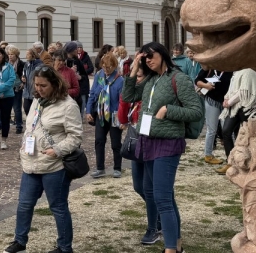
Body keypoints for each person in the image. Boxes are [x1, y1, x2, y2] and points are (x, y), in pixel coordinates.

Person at [121, 42, 203, 253]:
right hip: (147, 141)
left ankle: (169, 248)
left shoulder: (179, 78)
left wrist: (168, 109)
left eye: (151, 55)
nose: (148, 59)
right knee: (161, 194)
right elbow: (128, 97)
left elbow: (195, 112)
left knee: (162, 198)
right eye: (144, 57)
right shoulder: (151, 79)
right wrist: (134, 67)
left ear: (163, 54)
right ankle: (176, 244)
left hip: (167, 143)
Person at [2, 65, 83, 253]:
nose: (38, 89)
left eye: (43, 85)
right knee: (24, 204)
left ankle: (64, 247)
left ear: (54, 84)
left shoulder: (68, 105)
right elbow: (31, 126)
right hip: (31, 162)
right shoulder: (37, 102)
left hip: (54, 166)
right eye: (36, 84)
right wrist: (24, 145)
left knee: (58, 207)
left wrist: (57, 149)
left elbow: (76, 136)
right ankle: (20, 241)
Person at [118, 65, 161, 245]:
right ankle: (158, 214)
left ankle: (153, 227)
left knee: (150, 188)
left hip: (151, 143)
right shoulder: (135, 94)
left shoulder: (154, 92)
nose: (136, 79)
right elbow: (122, 116)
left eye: (139, 76)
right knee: (138, 186)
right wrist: (125, 97)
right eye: (134, 76)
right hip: (137, 141)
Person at [215, 68, 256, 174]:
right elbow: (232, 89)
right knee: (226, 132)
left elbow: (244, 91)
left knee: (248, 136)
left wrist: (229, 102)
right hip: (235, 108)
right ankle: (230, 162)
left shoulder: (249, 71)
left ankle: (250, 163)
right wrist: (227, 98)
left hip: (248, 108)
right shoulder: (237, 72)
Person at [86, 53, 124, 178]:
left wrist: (121, 116)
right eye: (104, 67)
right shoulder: (99, 76)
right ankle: (100, 168)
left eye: (109, 68)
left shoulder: (119, 80)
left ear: (114, 66)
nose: (106, 70)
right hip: (100, 114)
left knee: (115, 143)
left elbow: (122, 100)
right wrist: (88, 111)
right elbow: (92, 94)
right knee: (99, 141)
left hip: (114, 114)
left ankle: (117, 168)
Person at [195, 68, 233, 165]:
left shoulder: (231, 68)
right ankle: (208, 155)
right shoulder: (210, 67)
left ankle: (231, 157)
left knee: (227, 130)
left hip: (227, 103)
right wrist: (206, 85)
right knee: (211, 130)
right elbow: (197, 81)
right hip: (212, 101)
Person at [7, 45, 26, 133]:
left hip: (17, 88)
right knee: (5, 108)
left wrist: (23, 83)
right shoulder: (6, 64)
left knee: (17, 108)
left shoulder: (21, 64)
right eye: (9, 54)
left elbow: (24, 75)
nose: (10, 56)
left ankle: (19, 126)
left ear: (16, 55)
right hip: (7, 88)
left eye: (12, 54)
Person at [20, 48, 42, 115]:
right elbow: (24, 74)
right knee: (26, 109)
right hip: (27, 91)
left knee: (35, 111)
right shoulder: (27, 64)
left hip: (35, 91)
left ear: (33, 55)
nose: (26, 56)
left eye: (28, 54)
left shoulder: (39, 64)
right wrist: (23, 78)